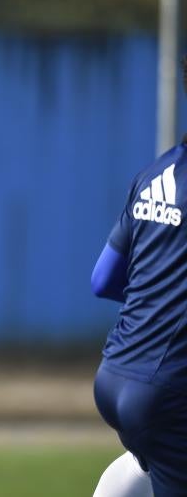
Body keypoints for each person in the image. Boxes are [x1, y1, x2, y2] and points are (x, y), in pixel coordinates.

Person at [90, 56, 187, 497]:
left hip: (115, 373)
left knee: (144, 466)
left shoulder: (154, 173)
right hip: (166, 391)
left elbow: (103, 280)